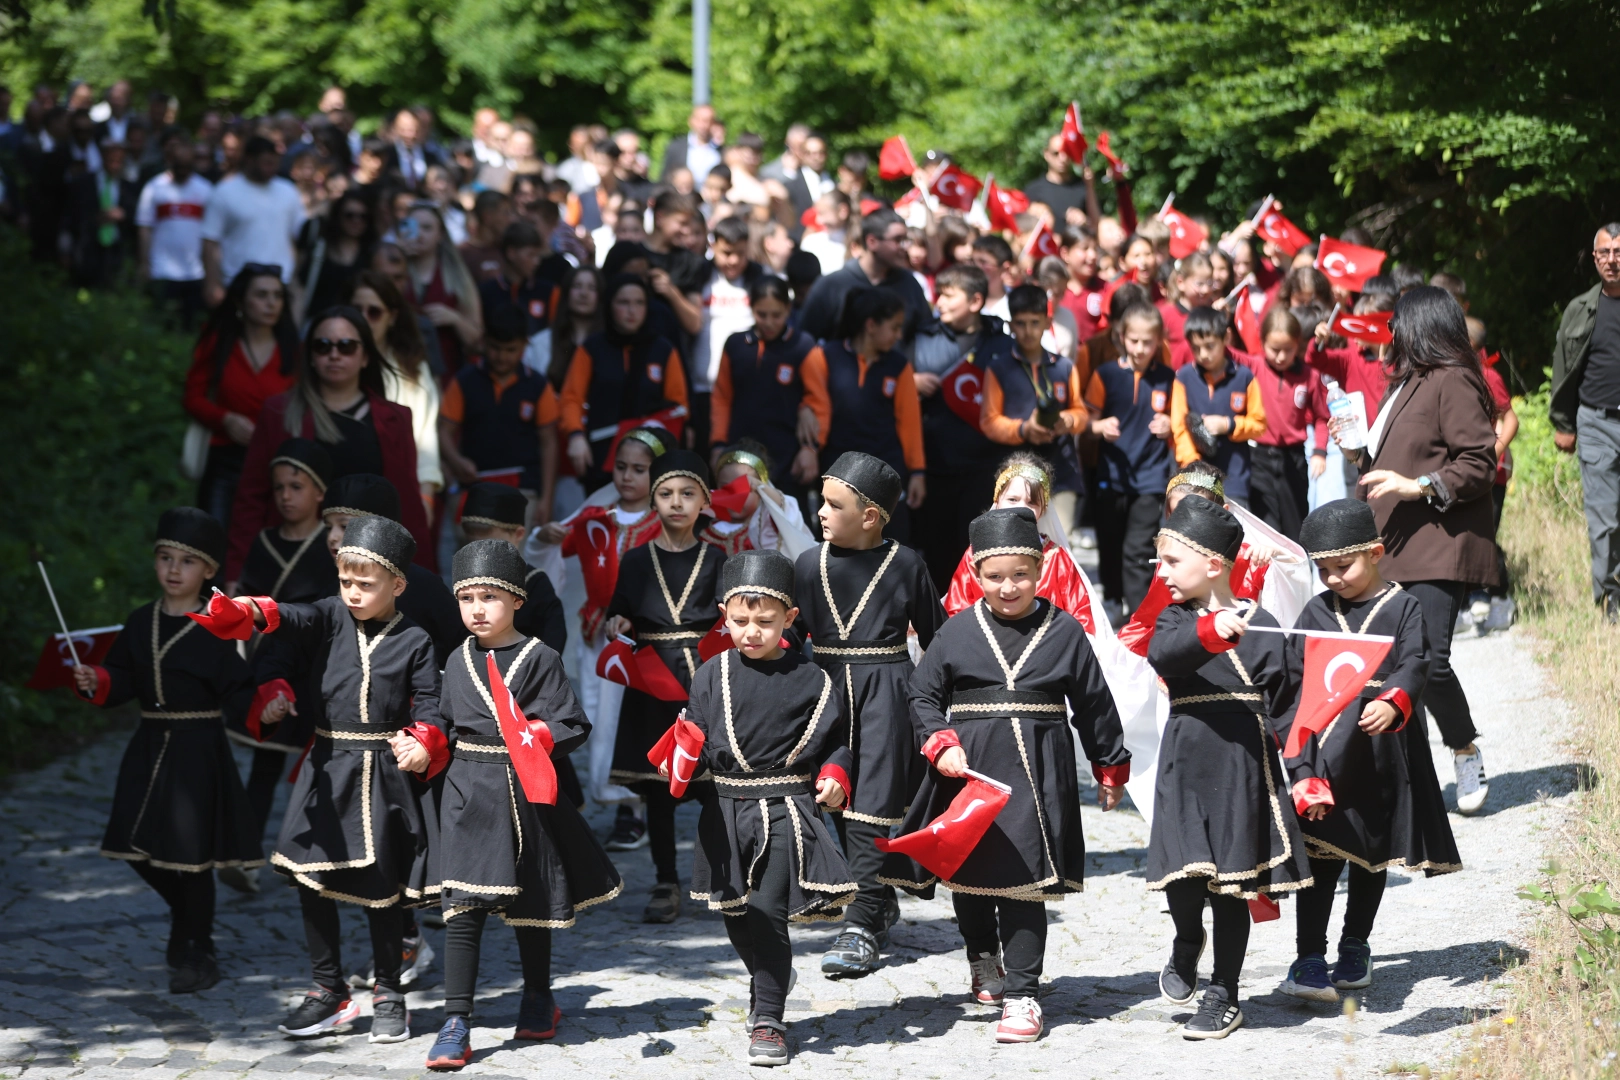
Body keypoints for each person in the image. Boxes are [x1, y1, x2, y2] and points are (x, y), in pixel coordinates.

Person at [192, 516, 444, 1043]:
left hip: (383, 772)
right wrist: (249, 610)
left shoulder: (416, 640)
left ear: (397, 585)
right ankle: (328, 989)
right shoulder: (329, 616)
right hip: (327, 766)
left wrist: (423, 738)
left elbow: (431, 703)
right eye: (345, 581)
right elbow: (292, 615)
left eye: (365, 584)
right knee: (310, 877)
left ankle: (389, 991)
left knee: (382, 889)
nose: (352, 593)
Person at [883, 506, 1127, 1043]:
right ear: (975, 574)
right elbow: (921, 695)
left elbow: (1094, 703)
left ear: (1040, 569)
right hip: (969, 772)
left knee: (1023, 884)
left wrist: (1110, 764)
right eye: (994, 576)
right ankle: (982, 957)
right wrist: (939, 742)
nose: (1008, 586)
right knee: (971, 878)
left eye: (1020, 574)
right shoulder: (957, 631)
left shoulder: (1064, 631)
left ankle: (1023, 995)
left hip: (1037, 775)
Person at [421, 540, 623, 1067]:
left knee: (532, 898)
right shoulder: (456, 659)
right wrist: (424, 743)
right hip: (467, 793)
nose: (477, 609)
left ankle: (537, 996)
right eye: (466, 598)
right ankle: (456, 1018)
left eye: (489, 597)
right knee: (462, 904)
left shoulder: (541, 657)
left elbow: (572, 722)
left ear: (516, 600)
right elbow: (445, 724)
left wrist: (538, 735)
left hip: (523, 792)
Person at [1145, 497, 1321, 1040]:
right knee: (1181, 877)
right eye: (1160, 561)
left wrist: (1306, 772)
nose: (1161, 572)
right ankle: (1185, 939)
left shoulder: (1263, 623)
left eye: (1172, 561)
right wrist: (1211, 630)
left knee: (1232, 887)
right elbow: (1163, 655)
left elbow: (1289, 707)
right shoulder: (1175, 619)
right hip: (1185, 763)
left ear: (1213, 564)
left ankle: (1224, 992)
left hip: (1243, 768)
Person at [1277, 499, 1461, 1004]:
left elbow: (1416, 661)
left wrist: (1393, 700)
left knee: (1370, 855)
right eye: (1323, 570)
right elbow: (1294, 682)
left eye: (1344, 566)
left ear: (1375, 553)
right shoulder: (1316, 612)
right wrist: (1301, 762)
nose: (1334, 578)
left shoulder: (1404, 607)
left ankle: (1355, 946)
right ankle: (1308, 956)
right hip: (1328, 752)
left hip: (1383, 751)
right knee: (1322, 853)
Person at [71, 508, 262, 994]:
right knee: (131, 844)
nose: (174, 569)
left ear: (209, 570)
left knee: (190, 858)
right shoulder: (141, 621)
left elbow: (240, 690)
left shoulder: (219, 626)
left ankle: (199, 951)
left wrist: (268, 707)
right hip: (149, 744)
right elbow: (122, 678)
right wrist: (97, 679)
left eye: (187, 561)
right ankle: (186, 916)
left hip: (197, 751)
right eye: (165, 558)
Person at [682, 549, 855, 1066]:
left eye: (765, 622)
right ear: (724, 615)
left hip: (785, 807)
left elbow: (838, 743)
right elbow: (694, 735)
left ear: (790, 618)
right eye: (739, 621)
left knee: (766, 911)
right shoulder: (710, 674)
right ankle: (771, 976)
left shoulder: (813, 679)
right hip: (725, 810)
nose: (751, 632)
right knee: (736, 912)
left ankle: (769, 1021)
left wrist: (835, 775)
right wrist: (681, 756)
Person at [1332, 286, 1499, 815]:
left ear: (1421, 324)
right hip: (1392, 546)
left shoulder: (1453, 379)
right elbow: (1390, 467)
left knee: (1428, 661)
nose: (1390, 333)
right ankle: (1408, 782)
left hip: (1438, 544)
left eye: (1395, 323)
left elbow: (1480, 462)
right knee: (1396, 665)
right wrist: (1357, 453)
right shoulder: (1405, 383)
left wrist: (1420, 486)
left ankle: (1464, 748)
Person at [795, 452, 945, 977]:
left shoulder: (906, 564)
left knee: (872, 808)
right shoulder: (807, 564)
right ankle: (876, 898)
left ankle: (858, 925)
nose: (821, 512)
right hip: (826, 694)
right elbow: (790, 638)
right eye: (822, 502)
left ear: (871, 516)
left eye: (834, 505)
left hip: (887, 694)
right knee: (832, 800)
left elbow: (938, 637)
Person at [604, 450, 727, 922]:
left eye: (688, 493)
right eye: (667, 494)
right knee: (658, 790)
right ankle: (665, 880)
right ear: (653, 501)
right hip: (652, 679)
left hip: (704, 681)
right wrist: (618, 622)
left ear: (705, 501)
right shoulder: (636, 560)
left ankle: (720, 875)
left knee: (714, 786)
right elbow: (620, 610)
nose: (677, 503)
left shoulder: (717, 558)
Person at [224, 307, 430, 584]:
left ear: (365, 356)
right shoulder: (278, 412)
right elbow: (251, 497)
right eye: (323, 346)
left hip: (371, 566)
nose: (334, 354)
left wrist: (419, 576)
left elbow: (408, 504)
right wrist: (236, 575)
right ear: (310, 356)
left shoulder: (395, 418)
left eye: (346, 346)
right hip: (294, 567)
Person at [536, 428, 667, 822]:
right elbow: (558, 547)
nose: (627, 476)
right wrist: (545, 537)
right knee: (595, 716)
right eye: (621, 467)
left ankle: (636, 806)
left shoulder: (666, 522)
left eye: (639, 469)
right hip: (596, 633)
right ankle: (616, 795)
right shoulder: (596, 517)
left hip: (642, 640)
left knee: (631, 720)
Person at [228, 439, 338, 881]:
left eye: (296, 486)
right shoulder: (265, 541)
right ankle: (246, 855)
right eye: (279, 488)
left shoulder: (329, 545)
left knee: (318, 768)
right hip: (268, 667)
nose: (286, 496)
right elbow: (247, 597)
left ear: (319, 492)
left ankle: (318, 857)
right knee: (265, 762)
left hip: (311, 669)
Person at [911, 264, 1016, 589]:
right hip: (936, 468)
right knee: (938, 556)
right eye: (938, 294)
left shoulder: (1001, 345)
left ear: (975, 301)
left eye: (948, 295)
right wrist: (911, 382)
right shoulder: (922, 338)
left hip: (985, 469)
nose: (939, 302)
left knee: (981, 552)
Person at [183, 264, 301, 526]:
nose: (271, 303)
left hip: (277, 464)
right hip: (225, 461)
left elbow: (305, 410)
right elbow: (192, 398)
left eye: (278, 295)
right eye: (261, 295)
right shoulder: (219, 342)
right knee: (214, 541)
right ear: (240, 301)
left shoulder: (294, 351)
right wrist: (225, 419)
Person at [558, 273, 690, 490]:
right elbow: (571, 398)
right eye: (623, 302)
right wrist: (575, 435)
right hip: (599, 458)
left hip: (648, 465)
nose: (632, 310)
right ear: (609, 305)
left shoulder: (663, 350)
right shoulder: (592, 348)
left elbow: (678, 406)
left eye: (639, 303)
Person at [1084, 302, 1175, 612]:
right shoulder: (1106, 374)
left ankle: (1138, 614)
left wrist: (1169, 424)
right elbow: (1086, 421)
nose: (1140, 348)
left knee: (1139, 549)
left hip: (1151, 477)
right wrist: (1099, 426)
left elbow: (1180, 418)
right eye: (1134, 340)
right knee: (1109, 542)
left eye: (1147, 342)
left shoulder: (1168, 378)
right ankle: (1112, 599)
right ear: (1121, 337)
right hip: (1112, 474)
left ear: (1159, 341)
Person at [818, 289, 928, 542]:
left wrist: (917, 472)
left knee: (891, 546)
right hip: (837, 471)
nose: (899, 335)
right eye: (894, 327)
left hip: (887, 474)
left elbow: (910, 424)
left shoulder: (899, 366)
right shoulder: (825, 356)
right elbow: (814, 405)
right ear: (871, 325)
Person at [1550, 222, 1620, 618]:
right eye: (1605, 253)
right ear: (1594, 258)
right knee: (1604, 518)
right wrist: (1564, 423)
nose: (1613, 260)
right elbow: (1563, 366)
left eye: (1619, 252)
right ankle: (1610, 597)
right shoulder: (1580, 309)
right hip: (1596, 424)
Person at [709, 275, 830, 502]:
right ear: (751, 307)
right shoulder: (735, 345)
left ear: (788, 309)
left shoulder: (803, 346)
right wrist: (718, 443)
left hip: (787, 459)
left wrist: (811, 449)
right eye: (761, 314)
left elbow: (818, 401)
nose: (769, 322)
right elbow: (722, 398)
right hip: (740, 455)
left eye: (776, 315)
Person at [980, 284, 1086, 543]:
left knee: (1058, 546)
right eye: (1021, 323)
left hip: (1061, 471)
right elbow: (989, 421)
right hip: (1014, 476)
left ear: (1047, 322)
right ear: (1010, 325)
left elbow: (1081, 412)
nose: (1028, 331)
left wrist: (1068, 421)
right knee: (1016, 545)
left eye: (1035, 323)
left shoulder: (1064, 367)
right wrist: (1023, 430)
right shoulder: (998, 369)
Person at [943, 454, 1099, 628]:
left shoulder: (1056, 558)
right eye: (1013, 499)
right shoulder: (977, 554)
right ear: (997, 500)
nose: (1021, 509)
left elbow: (1080, 616)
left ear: (1043, 509)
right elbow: (957, 609)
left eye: (1032, 502)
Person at [439, 308, 558, 528]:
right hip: (474, 489)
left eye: (511, 350)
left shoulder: (538, 386)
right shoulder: (464, 381)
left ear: (524, 345)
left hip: (523, 490)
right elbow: (444, 431)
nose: (502, 357)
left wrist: (546, 499)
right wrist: (456, 461)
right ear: (484, 341)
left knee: (514, 550)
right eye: (495, 348)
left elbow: (549, 443)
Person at [350, 270, 442, 525]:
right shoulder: (333, 362)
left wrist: (426, 499)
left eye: (374, 312)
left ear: (391, 317)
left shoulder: (412, 369)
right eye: (356, 310)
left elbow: (425, 441)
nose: (364, 319)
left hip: (397, 492)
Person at [1238, 306, 1328, 540]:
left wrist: (1320, 451)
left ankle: (1298, 564)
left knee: (1295, 525)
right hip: (1258, 457)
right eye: (1274, 349)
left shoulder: (1310, 376)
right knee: (1264, 527)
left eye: (1288, 350)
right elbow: (1224, 351)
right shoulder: (1254, 366)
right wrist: (1222, 317)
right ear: (1262, 343)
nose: (1280, 357)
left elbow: (1322, 416)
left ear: (1298, 344)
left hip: (1294, 459)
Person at [1170, 306, 1267, 505]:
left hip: (1235, 478)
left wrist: (1228, 425)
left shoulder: (1244, 377)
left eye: (1209, 346)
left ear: (1226, 338)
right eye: (1196, 348)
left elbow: (1259, 424)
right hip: (1195, 479)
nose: (1203, 354)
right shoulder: (1183, 377)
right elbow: (1179, 426)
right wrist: (1192, 464)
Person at [797, 209, 931, 350]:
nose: (905, 247)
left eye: (906, 240)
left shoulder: (910, 284)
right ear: (872, 242)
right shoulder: (831, 286)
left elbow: (925, 336)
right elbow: (805, 341)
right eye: (897, 240)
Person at [201, 135, 304, 308]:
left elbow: (297, 237)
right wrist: (212, 283)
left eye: (275, 163)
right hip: (236, 283)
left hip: (280, 283)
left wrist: (295, 277)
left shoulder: (289, 191)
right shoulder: (224, 192)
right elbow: (210, 241)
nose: (272, 168)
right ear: (249, 160)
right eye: (266, 163)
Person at [136, 131, 212, 328]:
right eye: (179, 166)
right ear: (169, 161)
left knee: (191, 327)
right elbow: (145, 228)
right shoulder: (154, 188)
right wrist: (145, 263)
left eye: (187, 166)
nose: (183, 171)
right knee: (162, 325)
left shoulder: (205, 190)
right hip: (162, 270)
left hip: (195, 272)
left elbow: (211, 234)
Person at [400, 201, 483, 377]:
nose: (419, 234)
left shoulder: (457, 276)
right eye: (414, 227)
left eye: (427, 228)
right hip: (402, 370)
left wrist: (454, 319)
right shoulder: (394, 269)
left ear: (441, 235)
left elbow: (476, 339)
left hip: (447, 374)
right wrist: (398, 256)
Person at [692, 215, 765, 412]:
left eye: (740, 253)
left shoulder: (759, 278)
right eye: (726, 253)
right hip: (702, 389)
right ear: (713, 246)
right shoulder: (699, 276)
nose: (733, 261)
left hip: (746, 388)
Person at [701, 441, 818, 557]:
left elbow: (784, 506)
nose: (734, 497)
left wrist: (759, 486)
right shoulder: (706, 530)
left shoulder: (766, 525)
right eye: (726, 488)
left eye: (742, 490)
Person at [295, 190, 374, 326]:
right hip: (316, 323)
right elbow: (299, 288)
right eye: (349, 215)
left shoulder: (372, 254)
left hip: (356, 326)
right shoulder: (320, 248)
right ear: (338, 216)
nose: (356, 221)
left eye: (363, 216)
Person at [525, 265, 604, 387]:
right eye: (577, 286)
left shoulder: (610, 344)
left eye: (592, 288)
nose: (584, 293)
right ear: (566, 293)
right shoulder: (541, 343)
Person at [1024, 132, 1098, 228]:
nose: (1062, 158)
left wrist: (1084, 220)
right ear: (1046, 154)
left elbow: (1098, 225)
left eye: (1067, 152)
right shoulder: (1033, 190)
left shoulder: (1082, 187)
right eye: (1056, 153)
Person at [660, 104, 721, 183]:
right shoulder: (676, 148)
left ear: (714, 123)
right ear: (691, 120)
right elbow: (664, 178)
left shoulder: (720, 151)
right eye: (699, 120)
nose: (703, 125)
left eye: (707, 121)